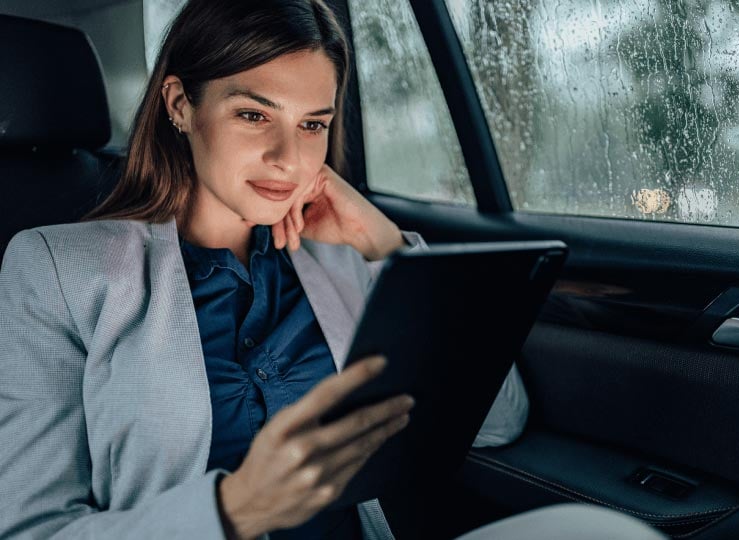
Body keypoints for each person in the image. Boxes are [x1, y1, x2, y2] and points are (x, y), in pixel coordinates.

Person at [0, 1, 529, 539]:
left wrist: (389, 247)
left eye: (312, 124)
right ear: (181, 105)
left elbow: (497, 422)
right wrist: (237, 508)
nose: (288, 157)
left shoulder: (346, 260)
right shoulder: (56, 271)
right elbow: (31, 530)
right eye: (254, 115)